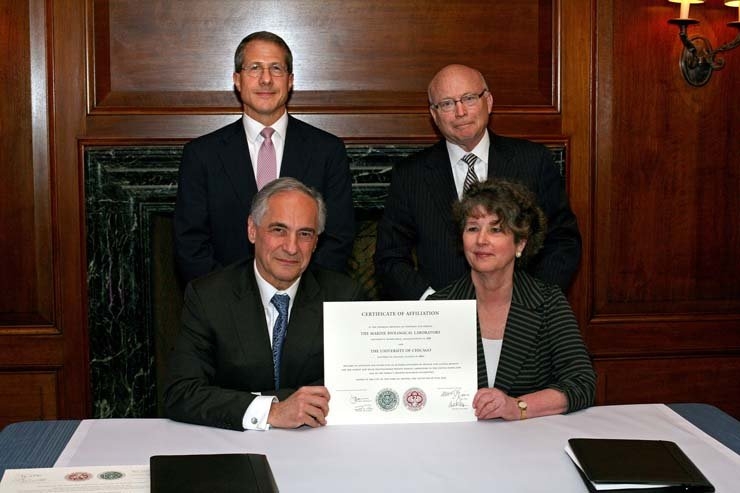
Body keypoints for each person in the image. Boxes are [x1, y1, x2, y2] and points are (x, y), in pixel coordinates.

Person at [164, 178, 365, 431]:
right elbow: (181, 392)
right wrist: (271, 410)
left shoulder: (345, 296)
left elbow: (356, 387)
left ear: (316, 242)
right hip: (234, 449)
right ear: (252, 229)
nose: (291, 248)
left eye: (304, 234)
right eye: (279, 230)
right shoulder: (208, 296)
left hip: (317, 445)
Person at [374, 64, 581, 300]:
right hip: (441, 318)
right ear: (434, 114)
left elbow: (563, 240)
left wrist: (533, 298)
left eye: (469, 98)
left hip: (522, 313)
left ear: (489, 102)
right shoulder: (411, 174)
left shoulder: (533, 161)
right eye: (447, 104)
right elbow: (389, 255)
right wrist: (431, 303)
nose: (460, 112)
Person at [174, 31, 354, 284]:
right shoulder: (201, 155)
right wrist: (229, 303)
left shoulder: (328, 150)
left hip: (306, 304)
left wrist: (300, 299)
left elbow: (338, 238)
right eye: (255, 68)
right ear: (237, 80)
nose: (266, 79)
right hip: (225, 308)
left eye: (276, 69)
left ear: (290, 80)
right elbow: (190, 244)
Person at [430, 179, 595, 420]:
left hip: (530, 442)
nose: (481, 240)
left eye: (496, 229)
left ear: (520, 243)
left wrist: (517, 406)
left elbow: (582, 383)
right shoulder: (439, 307)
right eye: (473, 228)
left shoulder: (547, 302)